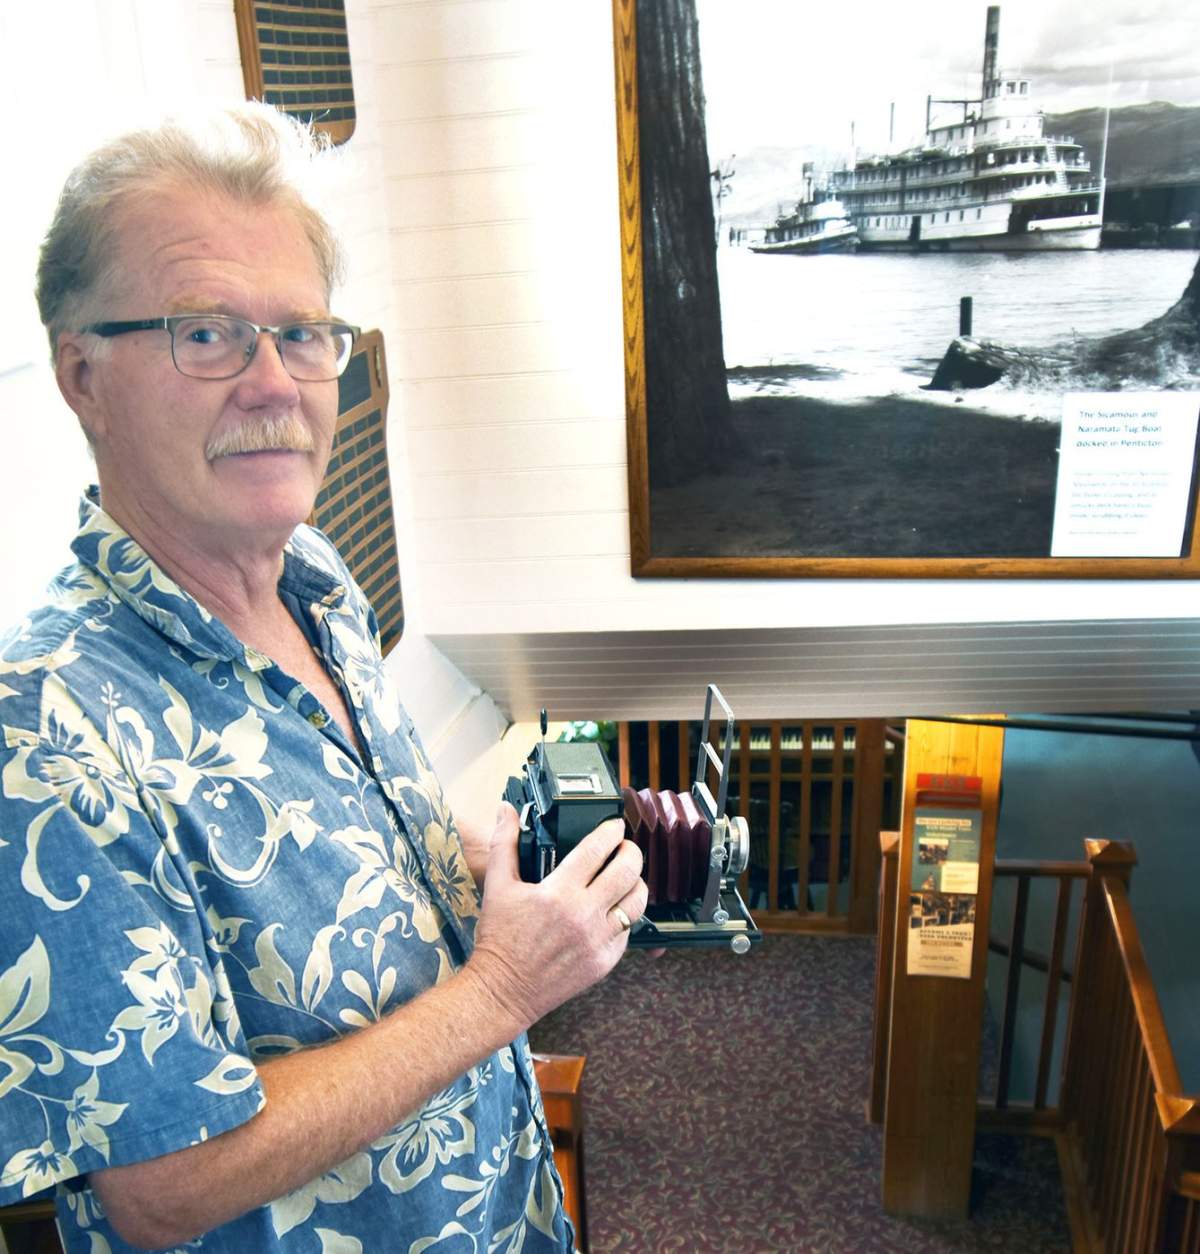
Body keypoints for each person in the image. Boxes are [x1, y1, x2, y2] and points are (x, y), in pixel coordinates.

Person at [0, 105, 647, 1252]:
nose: (273, 383)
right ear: (82, 375)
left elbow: (317, 833)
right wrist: (504, 990)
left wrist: (458, 855)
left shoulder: (314, 573)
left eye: (303, 334)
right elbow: (167, 1182)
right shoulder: (43, 731)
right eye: (208, 334)